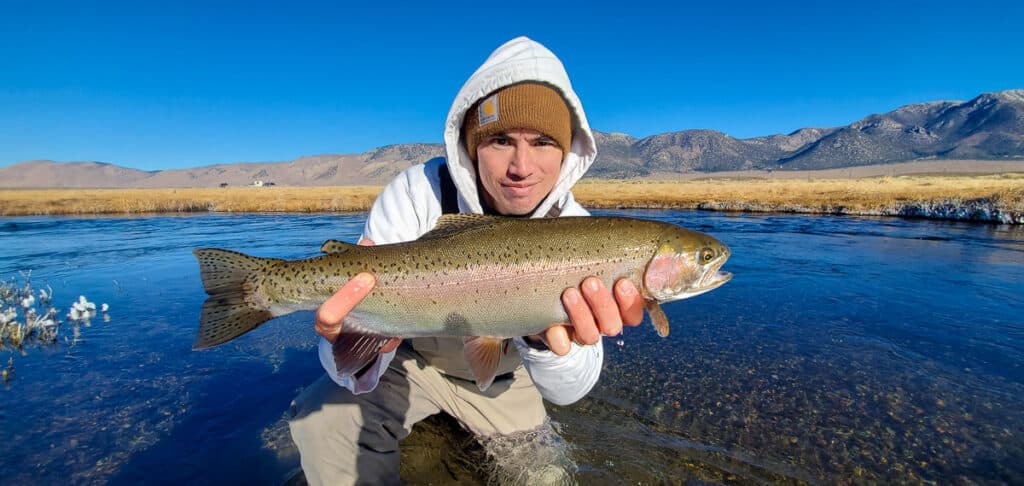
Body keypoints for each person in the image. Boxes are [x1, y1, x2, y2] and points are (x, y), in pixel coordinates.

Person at [287, 36, 644, 485]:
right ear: (473, 145)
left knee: (547, 477)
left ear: (567, 151)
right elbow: (343, 367)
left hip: (505, 383)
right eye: (500, 140)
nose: (521, 167)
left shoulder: (584, 235)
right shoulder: (417, 192)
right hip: (409, 366)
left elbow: (569, 391)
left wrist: (541, 338)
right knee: (322, 422)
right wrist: (353, 340)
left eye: (542, 142)